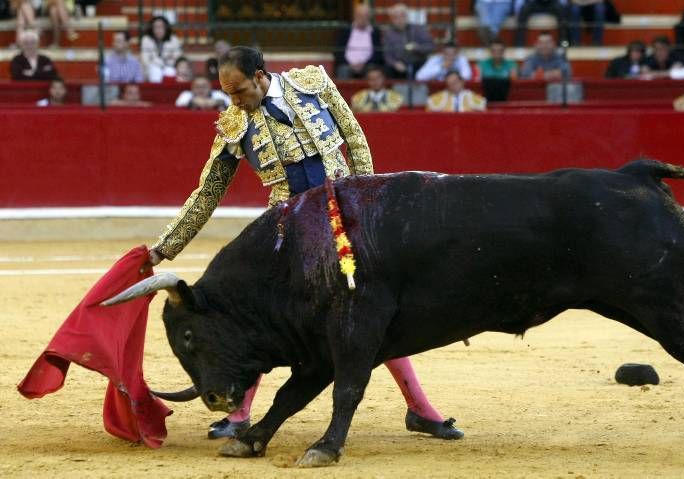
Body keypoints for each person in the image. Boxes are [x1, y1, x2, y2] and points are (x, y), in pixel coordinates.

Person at [146, 46, 464, 441]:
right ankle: (239, 415)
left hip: (343, 222)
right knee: (265, 318)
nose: (235, 102)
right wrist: (165, 247)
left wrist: (367, 207)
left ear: (260, 76)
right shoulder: (233, 124)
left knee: (369, 313)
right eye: (228, 94)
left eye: (240, 91)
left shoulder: (312, 83)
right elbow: (208, 191)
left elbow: (355, 139)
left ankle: (419, 409)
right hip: (289, 237)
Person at [382, 2, 435, 79]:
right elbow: (387, 55)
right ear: (391, 19)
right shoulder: (388, 34)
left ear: (407, 16)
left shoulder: (418, 29)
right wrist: (395, 63)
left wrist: (417, 48)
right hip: (398, 65)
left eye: (402, 16)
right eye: (396, 17)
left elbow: (430, 46)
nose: (399, 20)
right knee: (387, 69)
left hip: (418, 62)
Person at [334, 3, 383, 79]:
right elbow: (337, 51)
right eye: (360, 15)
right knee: (343, 69)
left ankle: (371, 91)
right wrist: (350, 64)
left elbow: (378, 53)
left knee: (373, 70)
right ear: (355, 15)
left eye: (365, 16)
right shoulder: (345, 30)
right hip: (347, 65)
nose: (363, 19)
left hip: (368, 65)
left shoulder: (375, 32)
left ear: (369, 17)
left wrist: (364, 64)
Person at [140, 15, 183, 82]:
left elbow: (177, 58)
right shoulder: (146, 40)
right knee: (155, 70)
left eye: (161, 27)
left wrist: (155, 60)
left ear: (166, 28)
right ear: (152, 29)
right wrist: (162, 61)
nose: (158, 30)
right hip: (151, 69)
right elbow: (145, 60)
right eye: (155, 27)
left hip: (170, 67)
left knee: (169, 71)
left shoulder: (174, 39)